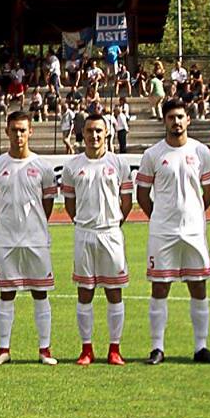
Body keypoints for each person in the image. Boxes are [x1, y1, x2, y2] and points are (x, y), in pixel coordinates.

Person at [136, 99, 210, 364]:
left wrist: (194, 212)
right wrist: (160, 216)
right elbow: (142, 195)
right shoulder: (153, 154)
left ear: (188, 119)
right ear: (164, 120)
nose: (177, 122)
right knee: (160, 287)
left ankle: (200, 347)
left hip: (194, 231)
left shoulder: (201, 151)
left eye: (181, 117)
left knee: (198, 287)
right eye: (171, 117)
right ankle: (157, 348)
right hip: (163, 232)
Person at [0, 110, 58, 365]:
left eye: (23, 130)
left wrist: (34, 226)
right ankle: (4, 349)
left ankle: (44, 349)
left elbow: (47, 205)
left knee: (40, 293)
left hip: (36, 239)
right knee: (6, 293)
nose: (18, 135)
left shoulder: (43, 167)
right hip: (6, 239)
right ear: (7, 132)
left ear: (30, 132)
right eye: (14, 130)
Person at [61, 112, 133, 366]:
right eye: (89, 131)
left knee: (114, 292)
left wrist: (113, 222)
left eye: (98, 131)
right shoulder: (72, 166)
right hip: (84, 234)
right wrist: (83, 222)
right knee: (85, 292)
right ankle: (86, 349)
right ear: (83, 133)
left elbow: (127, 201)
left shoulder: (119, 164)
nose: (94, 136)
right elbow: (70, 204)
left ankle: (115, 348)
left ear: (107, 133)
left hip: (111, 233)